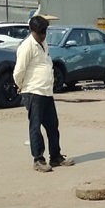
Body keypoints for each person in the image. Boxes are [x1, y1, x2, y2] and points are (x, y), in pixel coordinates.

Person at [13, 14, 75, 172]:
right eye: (40, 33)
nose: (43, 35)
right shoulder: (26, 47)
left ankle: (55, 156)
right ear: (32, 31)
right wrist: (21, 86)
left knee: (53, 125)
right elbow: (18, 71)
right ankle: (38, 159)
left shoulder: (43, 43)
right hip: (33, 91)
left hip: (46, 91)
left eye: (45, 32)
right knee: (35, 126)